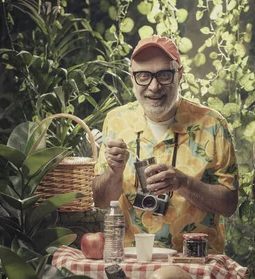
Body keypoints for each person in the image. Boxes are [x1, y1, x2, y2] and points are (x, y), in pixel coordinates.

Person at [92, 35, 239, 254]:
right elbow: (101, 200)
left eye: (163, 74)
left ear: (179, 74)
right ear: (132, 77)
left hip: (195, 264)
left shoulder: (213, 124)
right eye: (143, 75)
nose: (154, 86)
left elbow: (229, 205)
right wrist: (115, 172)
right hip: (133, 262)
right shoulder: (116, 121)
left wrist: (183, 182)